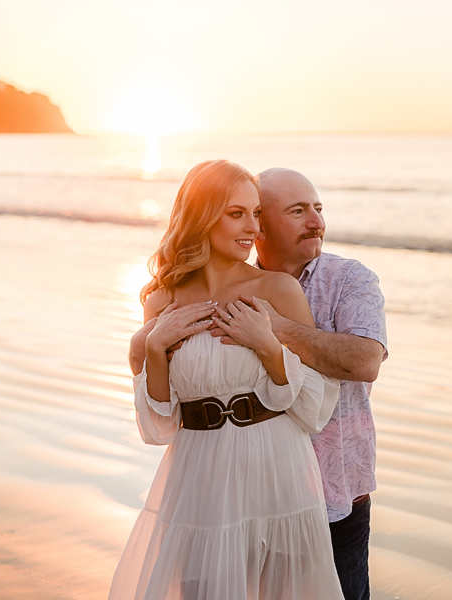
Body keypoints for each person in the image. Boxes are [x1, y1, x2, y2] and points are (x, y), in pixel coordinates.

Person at [129, 167, 387, 600]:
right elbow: (160, 419)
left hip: (314, 484)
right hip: (203, 478)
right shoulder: (162, 298)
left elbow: (356, 368)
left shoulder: (332, 282)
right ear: (206, 218)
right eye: (298, 210)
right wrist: (150, 346)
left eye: (318, 209)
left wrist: (273, 334)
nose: (316, 221)